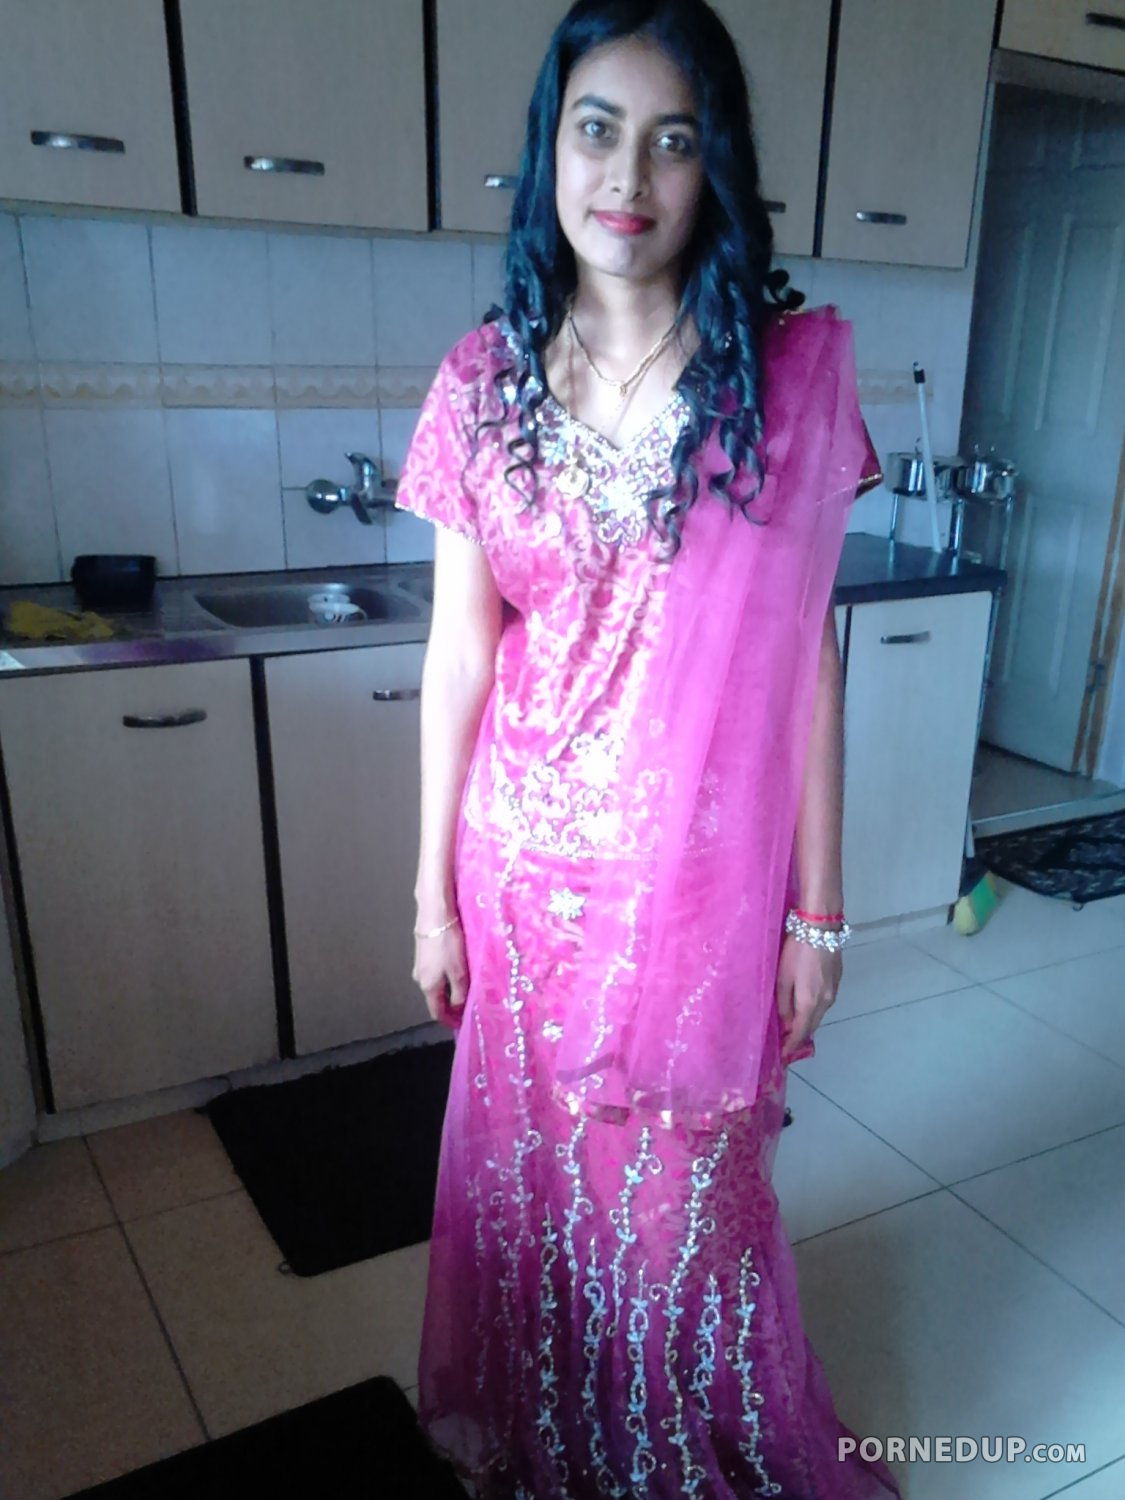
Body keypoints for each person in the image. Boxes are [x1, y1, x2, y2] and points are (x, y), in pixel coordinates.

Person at [395, 2, 899, 1495]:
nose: (627, 175)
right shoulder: (480, 385)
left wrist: (818, 910)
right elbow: (458, 657)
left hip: (694, 895)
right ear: (550, 149)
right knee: (540, 1203)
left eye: (673, 140)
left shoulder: (780, 380)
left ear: (713, 167)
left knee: (684, 1214)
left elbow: (806, 661)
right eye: (596, 129)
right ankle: (565, 1448)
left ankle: (682, 1453)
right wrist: (430, 898)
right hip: (521, 883)